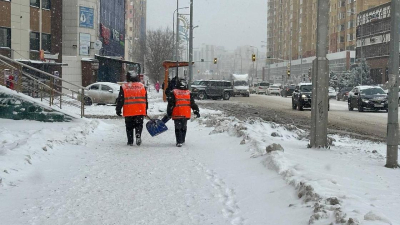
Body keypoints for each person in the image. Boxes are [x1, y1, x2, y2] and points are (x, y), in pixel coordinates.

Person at [116, 72, 148, 146]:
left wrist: (118, 109)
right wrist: (145, 109)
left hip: (129, 110)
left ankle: (130, 141)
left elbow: (120, 99)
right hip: (140, 110)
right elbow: (145, 100)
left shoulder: (124, 87)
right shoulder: (142, 86)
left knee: (129, 126)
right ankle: (138, 134)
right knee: (139, 124)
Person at [166, 78, 200, 147]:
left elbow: (171, 104)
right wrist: (196, 111)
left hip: (177, 113)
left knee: (177, 127)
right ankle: (183, 139)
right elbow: (192, 103)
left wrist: (169, 112)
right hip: (185, 113)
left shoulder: (174, 92)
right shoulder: (188, 93)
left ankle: (179, 141)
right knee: (183, 127)